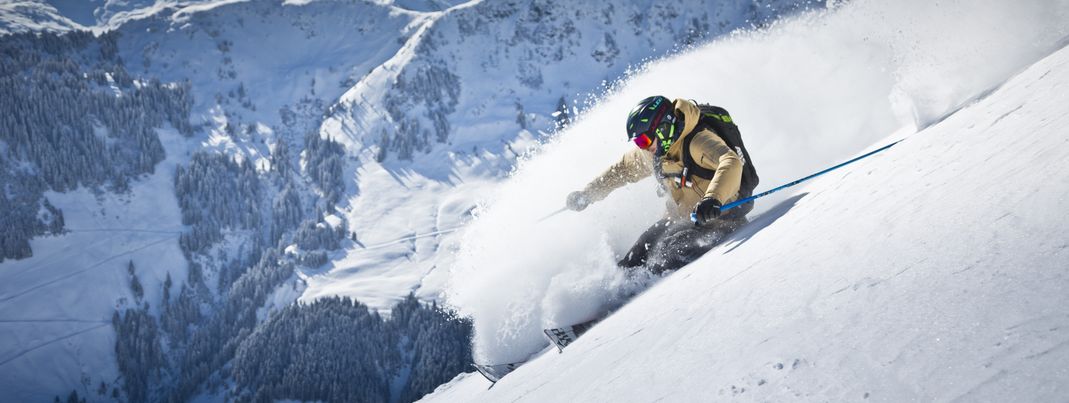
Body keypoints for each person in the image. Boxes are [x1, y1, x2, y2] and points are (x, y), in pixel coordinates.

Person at [565, 96, 758, 275]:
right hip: (680, 217)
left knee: (669, 252)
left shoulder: (697, 141)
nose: (643, 146)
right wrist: (588, 194)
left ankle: (658, 294)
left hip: (719, 217)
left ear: (663, 128)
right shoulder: (654, 152)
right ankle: (622, 290)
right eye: (638, 142)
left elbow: (730, 162)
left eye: (645, 139)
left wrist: (712, 199)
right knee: (639, 252)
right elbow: (622, 170)